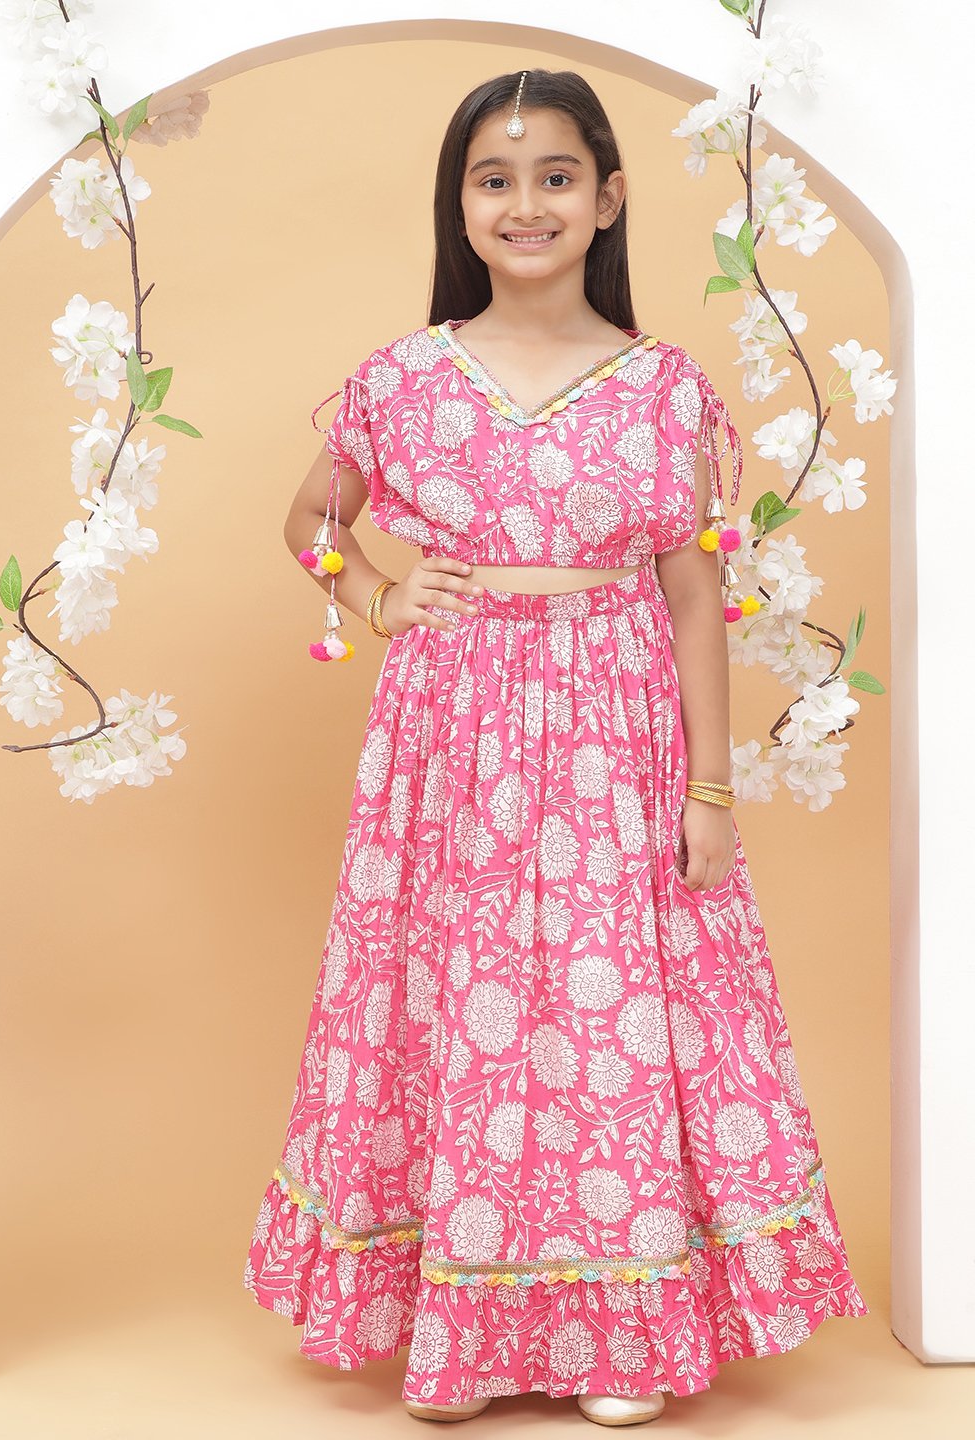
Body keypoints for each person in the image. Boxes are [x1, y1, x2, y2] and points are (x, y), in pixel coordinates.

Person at [243, 67, 866, 1426]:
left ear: (609, 198)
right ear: (461, 204)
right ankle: (461, 1335)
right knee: (461, 1012)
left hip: (614, 745)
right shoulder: (403, 378)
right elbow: (312, 525)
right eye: (495, 178)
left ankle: (617, 1337)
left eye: (556, 176)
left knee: (607, 1018)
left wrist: (710, 789)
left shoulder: (665, 388)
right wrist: (379, 596)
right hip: (451, 745)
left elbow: (693, 596)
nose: (526, 204)